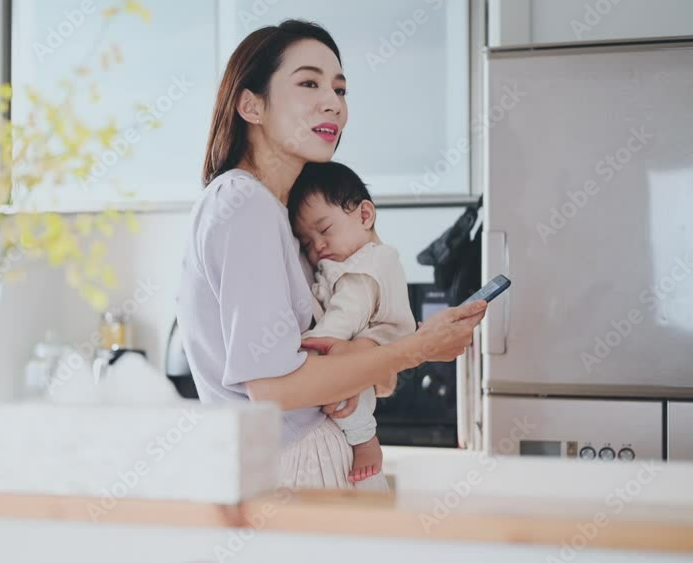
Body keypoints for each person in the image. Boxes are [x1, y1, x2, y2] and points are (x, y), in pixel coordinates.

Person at [177, 19, 486, 492]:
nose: (333, 103)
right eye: (309, 83)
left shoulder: (281, 215)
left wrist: (366, 356)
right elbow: (273, 389)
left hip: (303, 458)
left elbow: (365, 377)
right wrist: (418, 347)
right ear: (251, 105)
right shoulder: (245, 205)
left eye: (340, 90)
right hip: (293, 465)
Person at [289, 161, 415, 483]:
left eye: (325, 230)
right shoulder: (353, 259)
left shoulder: (367, 264)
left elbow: (347, 312)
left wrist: (312, 345)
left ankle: (365, 440)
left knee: (344, 391)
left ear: (364, 215)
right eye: (307, 242)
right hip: (369, 342)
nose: (317, 246)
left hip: (376, 339)